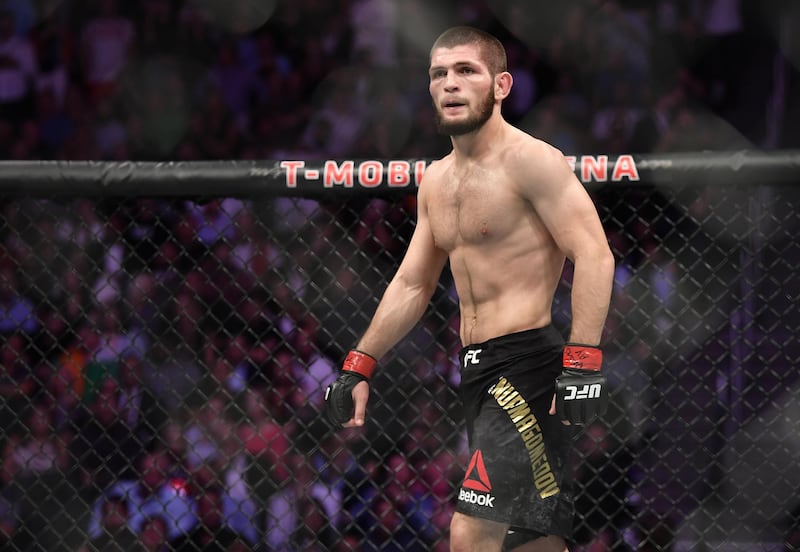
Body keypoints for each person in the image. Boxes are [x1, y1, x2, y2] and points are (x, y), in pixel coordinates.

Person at [324, 26, 615, 552]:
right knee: (533, 540)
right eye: (439, 74)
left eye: (466, 71)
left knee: (472, 531)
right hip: (479, 370)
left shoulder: (531, 162)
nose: (450, 85)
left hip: (527, 366)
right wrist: (359, 363)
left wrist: (582, 362)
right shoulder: (436, 179)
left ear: (501, 85)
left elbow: (594, 253)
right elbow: (414, 281)